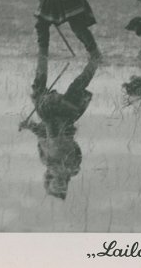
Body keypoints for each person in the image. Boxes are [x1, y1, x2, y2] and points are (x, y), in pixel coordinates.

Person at [19, 53, 100, 199]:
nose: (60, 185)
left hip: (66, 116)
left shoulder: (55, 163)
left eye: (56, 187)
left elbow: (45, 135)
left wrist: (30, 126)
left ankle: (94, 60)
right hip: (57, 114)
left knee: (77, 84)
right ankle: (43, 53)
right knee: (42, 89)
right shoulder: (60, 166)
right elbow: (52, 133)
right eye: (61, 188)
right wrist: (36, 117)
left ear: (49, 182)